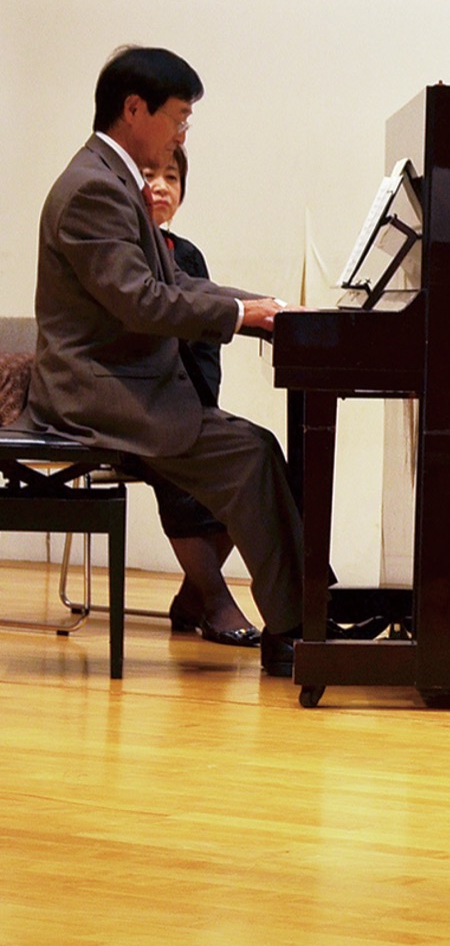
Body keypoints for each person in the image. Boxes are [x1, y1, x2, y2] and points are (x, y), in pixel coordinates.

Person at [16, 46, 304, 676]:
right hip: (97, 393)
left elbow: (173, 281)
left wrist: (261, 307)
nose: (182, 133)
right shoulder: (94, 188)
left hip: (121, 381)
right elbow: (142, 301)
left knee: (253, 450)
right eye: (179, 117)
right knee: (250, 455)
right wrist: (242, 316)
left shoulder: (111, 179)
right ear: (134, 109)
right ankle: (297, 630)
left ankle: (302, 615)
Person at [140, 145, 260, 648]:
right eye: (149, 174)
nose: (161, 186)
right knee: (181, 459)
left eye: (172, 177)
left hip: (185, 402)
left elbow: (208, 343)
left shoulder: (186, 255)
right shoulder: (121, 250)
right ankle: (213, 600)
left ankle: (193, 596)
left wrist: (202, 406)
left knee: (249, 463)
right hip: (136, 408)